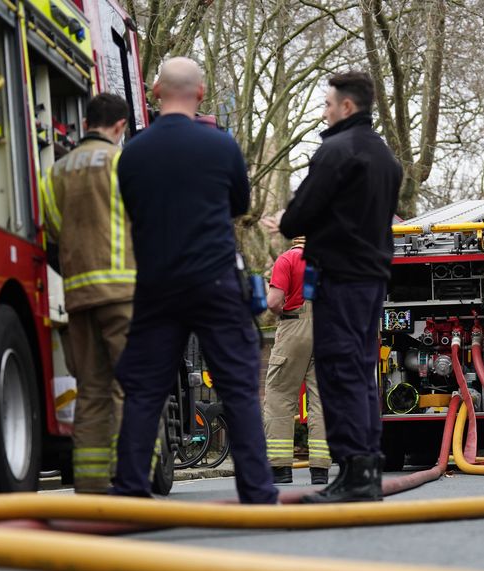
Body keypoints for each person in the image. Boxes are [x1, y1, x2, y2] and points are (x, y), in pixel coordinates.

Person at [111, 57, 277, 504]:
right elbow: (239, 205)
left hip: (157, 283)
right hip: (216, 282)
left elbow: (130, 209)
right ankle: (258, 493)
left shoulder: (133, 152)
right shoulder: (220, 147)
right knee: (238, 385)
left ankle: (129, 491)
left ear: (154, 91)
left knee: (145, 388)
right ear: (201, 93)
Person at [279, 71, 403, 503]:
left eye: (328, 104)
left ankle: (352, 470)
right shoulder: (386, 158)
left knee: (337, 371)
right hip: (372, 279)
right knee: (361, 370)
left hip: (339, 278)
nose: (325, 112)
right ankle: (364, 468)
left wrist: (286, 220)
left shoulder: (334, 151)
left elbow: (298, 217)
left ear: (347, 107)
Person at [42, 93, 134, 494]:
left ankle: (92, 484)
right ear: (120, 127)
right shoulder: (123, 163)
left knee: (92, 390)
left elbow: (52, 236)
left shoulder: (56, 173)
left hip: (77, 296)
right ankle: (134, 475)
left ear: (86, 122)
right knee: (134, 385)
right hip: (123, 291)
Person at [263, 237, 330, 485]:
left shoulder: (288, 259)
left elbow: (273, 302)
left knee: (280, 395)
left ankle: (280, 469)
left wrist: (282, 310)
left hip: (293, 327)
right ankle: (321, 470)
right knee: (321, 401)